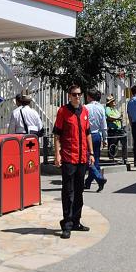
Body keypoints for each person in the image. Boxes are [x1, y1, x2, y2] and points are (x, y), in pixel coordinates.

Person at [53, 85, 93, 239]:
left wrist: (91, 153)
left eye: (79, 94)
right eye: (74, 94)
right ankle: (67, 224)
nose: (77, 97)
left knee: (79, 191)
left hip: (82, 157)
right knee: (68, 192)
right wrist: (57, 154)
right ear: (69, 95)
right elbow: (57, 135)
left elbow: (88, 133)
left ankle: (76, 221)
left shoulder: (85, 111)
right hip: (69, 157)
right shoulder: (63, 111)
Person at [83, 89, 108, 192]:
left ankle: (98, 178)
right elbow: (104, 124)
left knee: (86, 159)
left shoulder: (85, 108)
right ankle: (88, 182)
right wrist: (105, 138)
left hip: (87, 135)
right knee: (95, 159)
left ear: (90, 97)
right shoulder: (101, 108)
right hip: (97, 135)